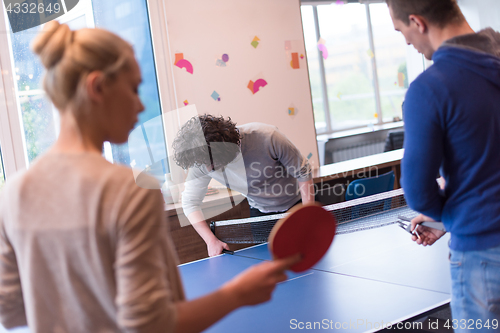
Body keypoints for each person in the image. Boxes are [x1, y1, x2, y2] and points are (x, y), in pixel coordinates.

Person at [0, 21, 299, 333]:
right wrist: (237, 294)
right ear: (97, 87)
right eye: (133, 89)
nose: (141, 105)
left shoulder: (13, 193)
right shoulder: (129, 189)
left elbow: (9, 311)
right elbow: (152, 324)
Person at [386, 0, 500, 327]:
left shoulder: (430, 89)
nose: (406, 41)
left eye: (401, 30)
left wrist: (451, 215)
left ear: (417, 22)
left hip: (484, 254)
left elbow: (419, 193)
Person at [172, 115, 314, 256]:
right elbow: (190, 203)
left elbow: (303, 172)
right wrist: (210, 240)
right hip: (261, 216)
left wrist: (307, 215)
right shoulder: (201, 161)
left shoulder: (268, 137)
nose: (207, 169)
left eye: (211, 164)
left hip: (298, 206)